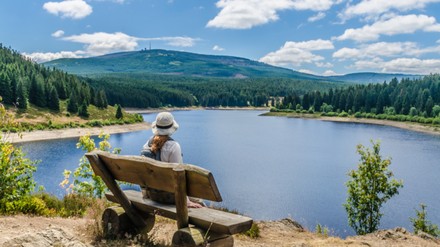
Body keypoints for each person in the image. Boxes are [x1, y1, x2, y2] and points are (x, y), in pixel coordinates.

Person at [141, 111, 203, 208]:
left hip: (150, 195)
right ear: (171, 128)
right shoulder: (173, 147)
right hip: (169, 197)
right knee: (200, 201)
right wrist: (186, 201)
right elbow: (178, 177)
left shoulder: (146, 145)